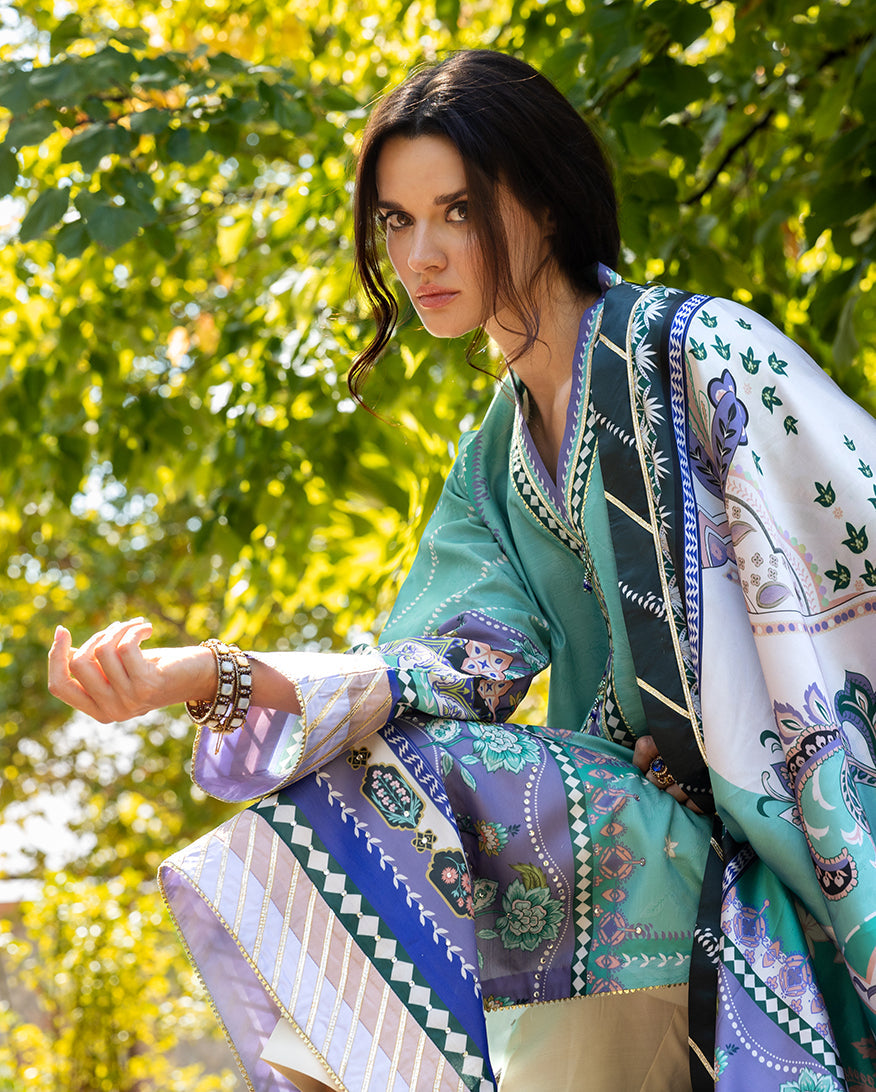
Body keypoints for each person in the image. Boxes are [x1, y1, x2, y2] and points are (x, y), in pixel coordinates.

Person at [47, 50, 876, 1092]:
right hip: (638, 865)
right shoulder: (497, 456)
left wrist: (725, 750)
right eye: (396, 221)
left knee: (407, 777)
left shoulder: (700, 350)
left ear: (546, 203)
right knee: (374, 769)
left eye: (458, 212)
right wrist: (198, 674)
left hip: (786, 854)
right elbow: (434, 672)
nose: (420, 255)